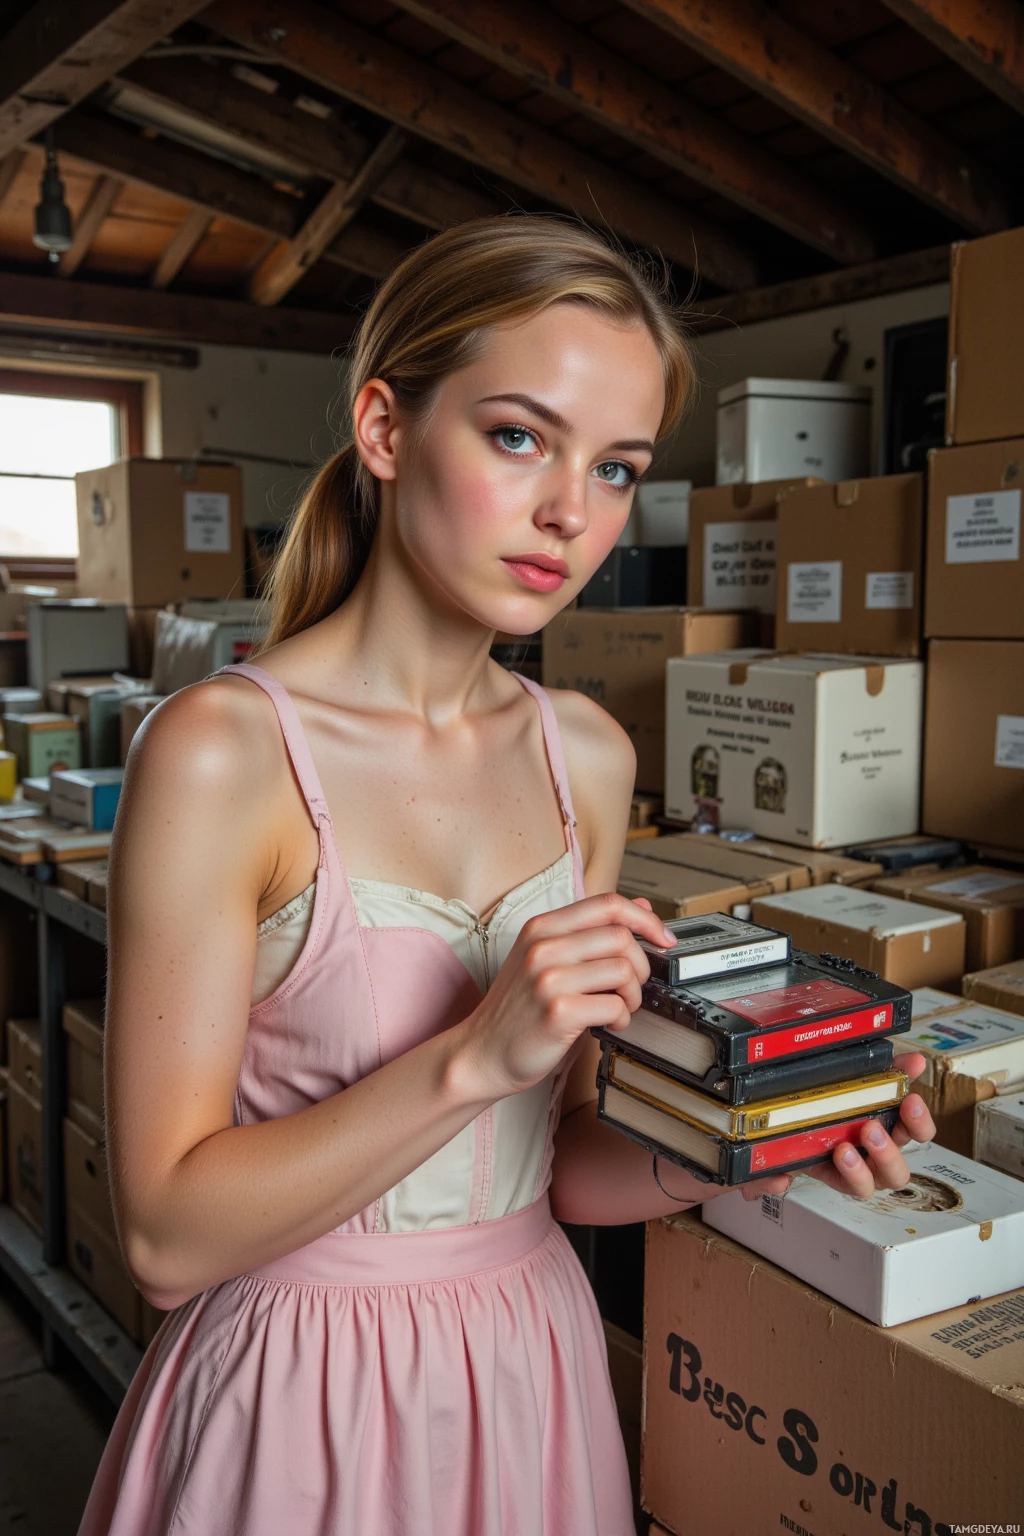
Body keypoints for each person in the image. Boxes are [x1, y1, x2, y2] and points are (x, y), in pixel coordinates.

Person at [79, 216, 936, 1536]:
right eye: (519, 436)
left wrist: (758, 1137)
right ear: (383, 429)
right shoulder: (222, 755)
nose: (569, 514)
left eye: (617, 468)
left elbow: (566, 1166)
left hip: (528, 1365)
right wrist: (476, 1053)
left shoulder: (581, 754)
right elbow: (164, 1240)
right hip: (305, 1400)